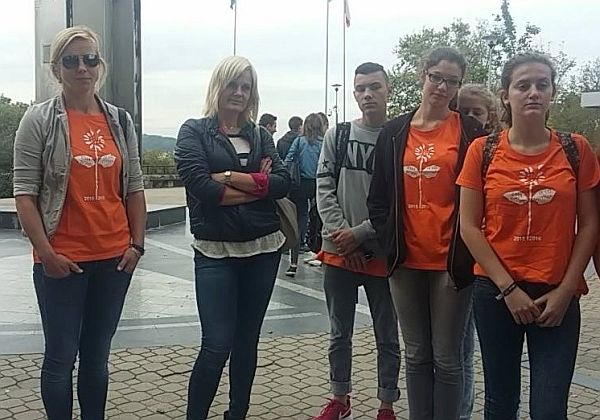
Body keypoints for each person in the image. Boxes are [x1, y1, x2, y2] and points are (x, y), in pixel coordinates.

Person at [13, 25, 146, 419]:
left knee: (96, 357)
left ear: (100, 65)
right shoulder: (38, 120)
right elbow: (24, 194)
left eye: (90, 59)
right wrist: (46, 254)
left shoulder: (119, 121)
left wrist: (137, 246)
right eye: (71, 61)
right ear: (57, 69)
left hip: (114, 259)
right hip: (63, 260)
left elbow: (134, 187)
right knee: (60, 357)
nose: (82, 68)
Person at [457, 52, 600, 420]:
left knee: (549, 409)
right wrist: (509, 290)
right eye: (523, 85)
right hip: (497, 293)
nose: (533, 92)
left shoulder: (576, 149)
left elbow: (589, 224)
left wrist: (567, 291)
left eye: (542, 84)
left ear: (553, 93)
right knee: (501, 404)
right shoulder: (482, 151)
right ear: (505, 95)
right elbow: (469, 226)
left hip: (557, 295)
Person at [368, 47, 486, 420]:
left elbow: (483, 198)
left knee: (448, 359)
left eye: (452, 81)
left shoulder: (470, 132)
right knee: (417, 354)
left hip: (450, 261)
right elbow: (378, 198)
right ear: (423, 75)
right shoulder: (393, 132)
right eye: (436, 77)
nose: (442, 87)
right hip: (406, 261)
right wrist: (389, 242)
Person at [175, 55, 290, 420]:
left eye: (246, 86)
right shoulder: (194, 131)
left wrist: (226, 177)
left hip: (263, 249)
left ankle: (236, 413)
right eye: (232, 84)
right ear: (218, 86)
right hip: (215, 252)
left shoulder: (260, 135)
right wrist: (257, 184)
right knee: (216, 344)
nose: (239, 92)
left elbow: (283, 183)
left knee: (246, 342)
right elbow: (202, 188)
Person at [314, 62, 400, 420]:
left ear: (388, 90)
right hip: (339, 254)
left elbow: (398, 201)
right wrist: (342, 238)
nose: (368, 94)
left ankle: (386, 405)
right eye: (361, 88)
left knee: (388, 335)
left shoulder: (399, 138)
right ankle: (340, 398)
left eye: (375, 87)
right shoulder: (339, 135)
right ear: (354, 94)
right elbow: (324, 188)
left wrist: (360, 236)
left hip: (381, 254)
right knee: (339, 333)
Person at [456, 83, 501, 420]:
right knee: (452, 348)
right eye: (464, 111)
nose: (470, 117)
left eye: (477, 112)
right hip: (449, 258)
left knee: (465, 348)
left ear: (490, 116)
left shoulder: (495, 151)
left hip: (485, 264)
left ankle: (462, 411)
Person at [284, 113, 324, 276]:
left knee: (298, 221)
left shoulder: (299, 141)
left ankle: (293, 263)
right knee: (321, 220)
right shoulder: (323, 143)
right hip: (318, 184)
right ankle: (322, 255)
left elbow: (288, 160)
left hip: (300, 185)